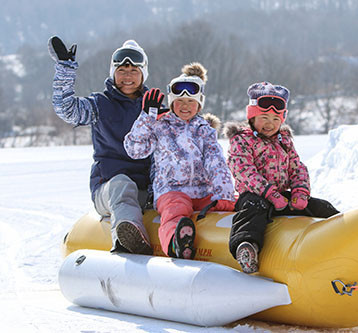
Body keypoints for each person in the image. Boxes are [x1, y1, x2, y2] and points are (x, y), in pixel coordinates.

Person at [48, 36, 153, 255]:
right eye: (122, 71)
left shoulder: (153, 107)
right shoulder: (99, 105)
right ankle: (127, 241)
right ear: (113, 73)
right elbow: (67, 109)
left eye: (134, 71)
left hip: (147, 190)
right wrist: (65, 69)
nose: (127, 77)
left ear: (143, 74)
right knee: (123, 185)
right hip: (108, 189)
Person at [224, 81, 340, 273]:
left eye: (276, 119)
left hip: (281, 196)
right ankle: (246, 247)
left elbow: (297, 168)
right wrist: (268, 193)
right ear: (252, 117)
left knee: (319, 206)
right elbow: (244, 170)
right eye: (264, 117)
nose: (270, 124)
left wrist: (300, 192)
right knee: (253, 209)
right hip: (255, 195)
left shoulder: (284, 140)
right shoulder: (241, 140)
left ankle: (345, 232)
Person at [124, 63, 236, 259]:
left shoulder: (204, 130)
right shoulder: (160, 125)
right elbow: (135, 150)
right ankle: (176, 242)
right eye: (180, 101)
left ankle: (244, 243)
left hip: (202, 191)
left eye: (191, 102)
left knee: (231, 203)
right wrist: (146, 119)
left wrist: (223, 192)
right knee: (175, 210)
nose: (185, 106)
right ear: (171, 103)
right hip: (172, 190)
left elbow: (215, 162)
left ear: (199, 105)